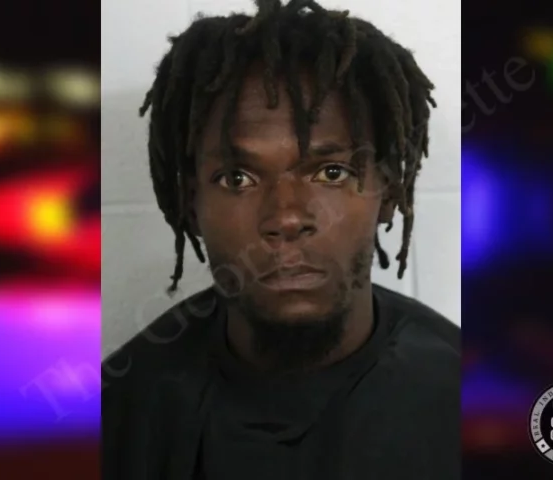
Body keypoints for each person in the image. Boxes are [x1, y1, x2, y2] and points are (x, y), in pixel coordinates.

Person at [102, 0, 460, 478]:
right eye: (237, 178)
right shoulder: (116, 415)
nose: (287, 217)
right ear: (190, 204)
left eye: (331, 172)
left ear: (389, 193)